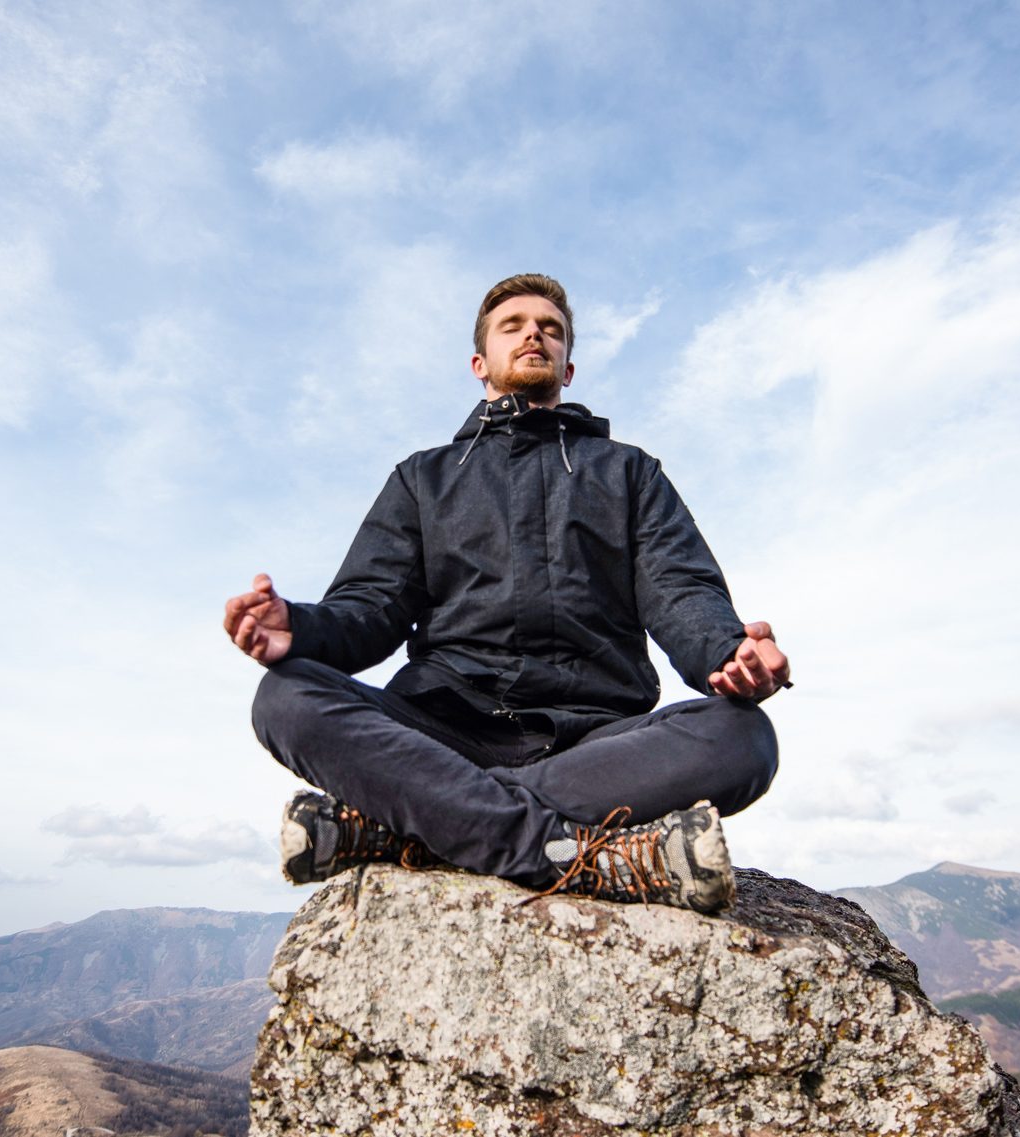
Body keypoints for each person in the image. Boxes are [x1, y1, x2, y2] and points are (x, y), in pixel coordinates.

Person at [224, 273, 789, 913]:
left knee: (743, 738)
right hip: (441, 730)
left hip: (595, 744)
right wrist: (300, 629)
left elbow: (680, 588)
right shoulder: (423, 479)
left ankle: (422, 824)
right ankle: (568, 853)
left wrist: (726, 651)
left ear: (568, 368)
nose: (533, 335)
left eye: (550, 329)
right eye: (513, 326)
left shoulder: (628, 472)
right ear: (479, 362)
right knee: (287, 696)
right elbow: (369, 607)